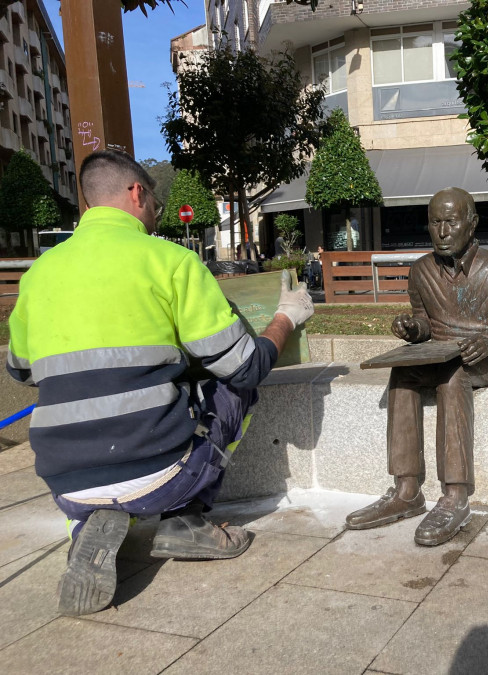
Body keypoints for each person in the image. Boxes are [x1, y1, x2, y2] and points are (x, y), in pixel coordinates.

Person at [5, 150, 315, 617]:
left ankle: (87, 523)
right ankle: (183, 518)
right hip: (160, 479)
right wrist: (286, 319)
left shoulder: (39, 274)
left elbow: (22, 370)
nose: (156, 216)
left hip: (65, 482)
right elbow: (246, 367)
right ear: (137, 193)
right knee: (234, 389)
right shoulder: (171, 261)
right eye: (155, 205)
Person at [345, 188, 488, 546]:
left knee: (454, 376)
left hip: (479, 358)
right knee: (401, 374)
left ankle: (455, 495)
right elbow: (424, 320)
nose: (443, 231)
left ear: (472, 223)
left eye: (451, 221)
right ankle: (407, 490)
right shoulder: (421, 271)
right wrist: (414, 329)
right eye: (435, 223)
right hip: (435, 353)